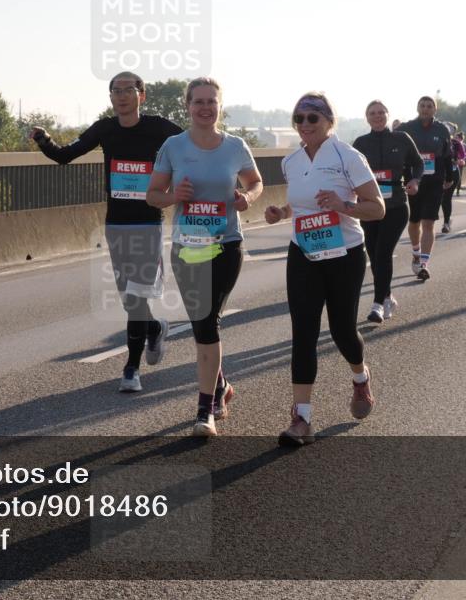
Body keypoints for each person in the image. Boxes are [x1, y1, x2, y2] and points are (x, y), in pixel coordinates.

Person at [31, 72, 181, 392]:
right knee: (130, 299)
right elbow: (64, 155)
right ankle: (154, 328)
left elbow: (192, 148)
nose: (122, 95)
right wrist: (44, 140)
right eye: (116, 91)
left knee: (136, 297)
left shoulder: (159, 128)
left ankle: (131, 369)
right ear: (110, 97)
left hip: (148, 223)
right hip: (116, 224)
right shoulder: (105, 129)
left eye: (129, 90)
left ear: (142, 95)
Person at [266, 92, 385, 445]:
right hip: (303, 251)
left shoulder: (348, 156)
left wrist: (343, 204)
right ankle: (301, 417)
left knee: (342, 331)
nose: (304, 125)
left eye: (312, 118)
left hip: (344, 253)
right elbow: (299, 204)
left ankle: (360, 378)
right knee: (303, 331)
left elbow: (377, 207)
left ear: (329, 121)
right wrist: (281, 212)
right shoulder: (291, 161)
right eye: (298, 119)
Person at [146, 77, 262, 437]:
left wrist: (247, 198)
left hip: (226, 244)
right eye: (198, 101)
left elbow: (256, 182)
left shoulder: (235, 146)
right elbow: (153, 195)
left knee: (207, 321)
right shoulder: (173, 146)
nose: (205, 107)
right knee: (203, 323)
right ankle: (221, 386)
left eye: (212, 101)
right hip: (188, 247)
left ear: (220, 106)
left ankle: (204, 410)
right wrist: (174, 196)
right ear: (188, 106)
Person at [353, 100, 422, 323]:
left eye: (381, 112)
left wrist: (415, 180)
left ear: (387, 115)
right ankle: (388, 297)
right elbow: (349, 171)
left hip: (396, 206)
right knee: (374, 256)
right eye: (372, 113)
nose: (377, 116)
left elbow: (418, 163)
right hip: (369, 207)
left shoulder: (401, 138)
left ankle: (377, 305)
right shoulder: (361, 143)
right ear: (367, 117)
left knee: (383, 253)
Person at [399, 96, 455, 281]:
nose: (425, 109)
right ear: (417, 108)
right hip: (414, 181)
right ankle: (416, 252)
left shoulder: (442, 129)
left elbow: (447, 155)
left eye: (429, 106)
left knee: (428, 222)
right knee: (415, 220)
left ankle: (424, 263)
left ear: (435, 110)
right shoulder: (407, 128)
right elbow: (396, 152)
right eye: (422, 105)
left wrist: (450, 176)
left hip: (435, 180)